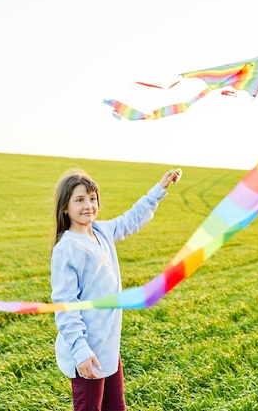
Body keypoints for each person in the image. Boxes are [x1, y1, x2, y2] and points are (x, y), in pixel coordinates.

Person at [50, 167, 181, 411]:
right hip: (87, 350)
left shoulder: (101, 231)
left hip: (108, 344)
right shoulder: (67, 248)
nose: (88, 205)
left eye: (92, 198)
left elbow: (131, 219)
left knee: (116, 406)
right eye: (79, 200)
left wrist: (160, 188)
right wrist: (81, 350)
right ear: (65, 208)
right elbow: (65, 305)